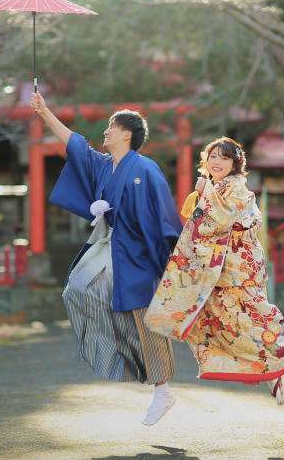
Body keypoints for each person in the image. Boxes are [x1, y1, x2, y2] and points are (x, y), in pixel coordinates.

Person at [31, 92, 183, 425]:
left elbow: (164, 216)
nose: (106, 131)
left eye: (112, 126)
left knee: (145, 318)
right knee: (78, 289)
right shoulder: (103, 166)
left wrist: (172, 261)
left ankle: (162, 390)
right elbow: (75, 145)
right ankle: (124, 358)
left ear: (127, 134)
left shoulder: (146, 168)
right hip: (111, 248)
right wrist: (44, 112)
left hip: (141, 254)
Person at [145, 137, 284, 405]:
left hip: (240, 270)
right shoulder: (213, 188)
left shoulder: (238, 190)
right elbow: (199, 229)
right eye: (213, 156)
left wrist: (206, 193)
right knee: (218, 324)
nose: (217, 162)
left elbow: (221, 221)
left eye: (224, 158)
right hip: (215, 272)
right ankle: (273, 368)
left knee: (252, 317)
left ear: (235, 164)